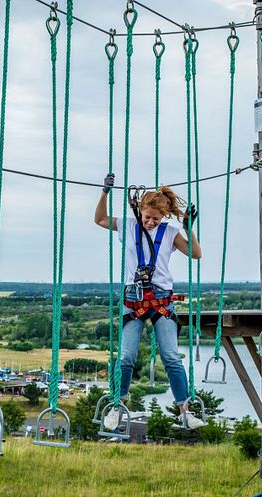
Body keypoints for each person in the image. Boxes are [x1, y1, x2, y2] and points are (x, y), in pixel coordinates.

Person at [94, 172, 203, 431]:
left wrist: (189, 229)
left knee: (171, 357)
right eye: (147, 217)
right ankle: (117, 407)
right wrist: (104, 193)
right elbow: (99, 219)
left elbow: (196, 254)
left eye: (156, 218)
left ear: (164, 216)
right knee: (126, 357)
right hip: (134, 299)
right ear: (140, 211)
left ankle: (184, 411)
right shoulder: (128, 225)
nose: (151, 222)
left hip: (162, 300)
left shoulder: (170, 232)